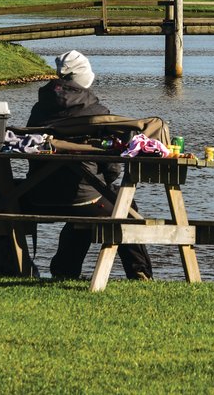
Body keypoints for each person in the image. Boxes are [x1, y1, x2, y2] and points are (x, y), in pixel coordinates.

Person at [21, 50, 153, 280]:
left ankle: (64, 272)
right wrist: (105, 183)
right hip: (84, 197)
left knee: (87, 209)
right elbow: (112, 166)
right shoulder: (97, 113)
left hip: (35, 194)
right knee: (123, 205)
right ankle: (139, 273)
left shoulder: (38, 109)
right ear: (84, 78)